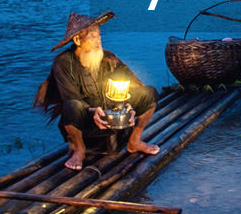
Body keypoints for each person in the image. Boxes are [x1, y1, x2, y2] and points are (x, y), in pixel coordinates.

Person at [34, 10, 160, 170]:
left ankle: (134, 141)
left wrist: (128, 107)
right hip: (85, 120)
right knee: (72, 106)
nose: (98, 40)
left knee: (149, 93)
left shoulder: (108, 58)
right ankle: (80, 150)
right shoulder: (63, 63)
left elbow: (132, 84)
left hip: (112, 115)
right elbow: (70, 98)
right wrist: (93, 111)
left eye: (99, 35)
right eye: (93, 36)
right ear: (78, 40)